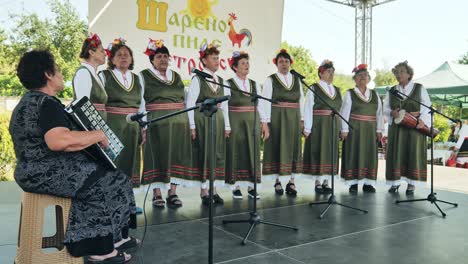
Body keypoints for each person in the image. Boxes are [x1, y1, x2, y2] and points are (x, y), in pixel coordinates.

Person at [10, 49, 138, 263]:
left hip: (29, 172)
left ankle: (114, 238)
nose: (61, 75)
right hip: (47, 173)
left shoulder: (25, 103)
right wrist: (97, 134)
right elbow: (59, 141)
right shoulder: (47, 103)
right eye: (58, 70)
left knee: (111, 176)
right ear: (48, 75)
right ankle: (98, 250)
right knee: (107, 181)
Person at [139, 39, 195, 208]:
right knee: (157, 156)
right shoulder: (144, 76)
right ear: (152, 59)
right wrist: (143, 124)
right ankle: (157, 194)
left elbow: (185, 98)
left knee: (176, 156)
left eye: (165, 56)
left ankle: (173, 192)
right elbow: (140, 100)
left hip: (179, 124)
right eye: (159, 56)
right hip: (156, 124)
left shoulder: (176, 76)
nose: (163, 59)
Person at [186, 43, 231, 205]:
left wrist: (227, 126)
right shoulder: (198, 79)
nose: (217, 61)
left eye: (218, 58)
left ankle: (214, 189)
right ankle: (204, 191)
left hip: (217, 121)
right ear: (204, 61)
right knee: (205, 153)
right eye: (213, 58)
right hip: (203, 120)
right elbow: (190, 103)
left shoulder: (221, 80)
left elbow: (224, 106)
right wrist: (191, 126)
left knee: (217, 154)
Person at [260, 48, 304, 196]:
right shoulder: (270, 79)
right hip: (277, 118)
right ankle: (277, 181)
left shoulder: (297, 80)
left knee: (294, 148)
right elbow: (264, 102)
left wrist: (302, 120)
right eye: (281, 62)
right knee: (277, 147)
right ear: (276, 64)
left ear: (290, 63)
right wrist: (265, 122)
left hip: (294, 118)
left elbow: (301, 101)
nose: (284, 64)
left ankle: (292, 182)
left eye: (286, 61)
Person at [99, 37, 142, 187]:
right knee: (113, 159)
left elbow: (142, 104)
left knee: (131, 160)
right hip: (112, 124)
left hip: (133, 126)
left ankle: (129, 199)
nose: (123, 57)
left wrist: (143, 126)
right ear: (112, 59)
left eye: (126, 55)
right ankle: (111, 197)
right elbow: (99, 101)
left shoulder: (137, 78)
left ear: (131, 59)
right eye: (119, 54)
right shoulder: (104, 76)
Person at [384, 61, 431, 194]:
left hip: (414, 127)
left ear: (409, 74)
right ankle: (395, 182)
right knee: (396, 153)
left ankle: (412, 184)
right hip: (397, 128)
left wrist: (422, 120)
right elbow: (385, 107)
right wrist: (391, 113)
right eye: (397, 72)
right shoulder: (392, 91)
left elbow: (427, 106)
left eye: (402, 72)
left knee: (413, 153)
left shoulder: (419, 88)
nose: (399, 75)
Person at [340, 64, 384, 193]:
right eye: (359, 76)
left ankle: (368, 183)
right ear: (355, 79)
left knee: (369, 155)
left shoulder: (375, 95)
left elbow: (379, 113)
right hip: (355, 129)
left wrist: (379, 130)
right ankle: (353, 183)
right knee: (354, 153)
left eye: (365, 75)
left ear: (369, 79)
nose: (362, 78)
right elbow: (344, 112)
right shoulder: (350, 93)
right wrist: (344, 129)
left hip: (371, 130)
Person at [225, 51, 263, 199]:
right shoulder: (228, 83)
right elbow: (224, 106)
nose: (246, 65)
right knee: (236, 152)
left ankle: (252, 186)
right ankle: (235, 186)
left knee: (252, 152)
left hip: (252, 121)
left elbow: (261, 105)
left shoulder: (254, 84)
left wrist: (263, 123)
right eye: (243, 63)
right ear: (235, 67)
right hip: (235, 121)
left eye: (247, 62)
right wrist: (227, 126)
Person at [302, 60, 342, 194]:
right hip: (319, 125)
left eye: (332, 72)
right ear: (321, 73)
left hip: (333, 125)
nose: (331, 74)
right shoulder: (314, 88)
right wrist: (307, 128)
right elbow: (307, 108)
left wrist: (341, 128)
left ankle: (327, 181)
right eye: (328, 72)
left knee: (330, 152)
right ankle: (318, 182)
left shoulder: (336, 90)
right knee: (318, 150)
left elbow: (339, 110)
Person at [73, 32, 108, 118]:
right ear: (91, 52)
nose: (105, 54)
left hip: (98, 127)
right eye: (101, 51)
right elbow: (83, 107)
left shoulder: (95, 74)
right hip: (89, 128)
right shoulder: (83, 73)